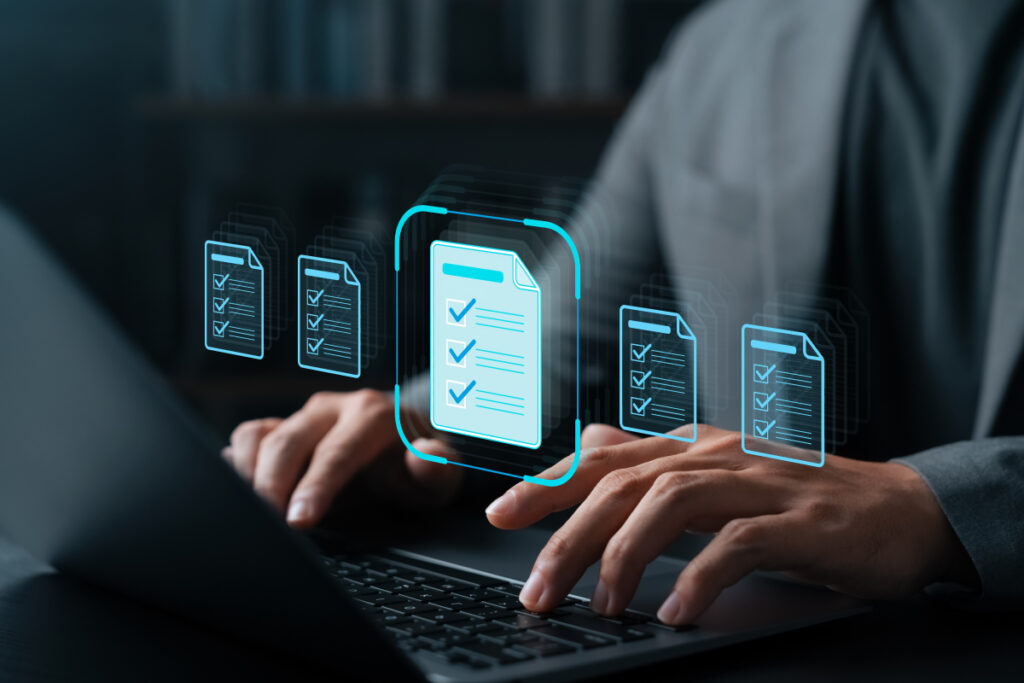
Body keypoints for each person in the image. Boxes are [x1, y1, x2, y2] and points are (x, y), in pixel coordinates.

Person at [222, 0, 1024, 626]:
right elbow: (550, 349)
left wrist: (941, 507)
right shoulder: (723, 47)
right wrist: (408, 431)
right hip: (757, 631)